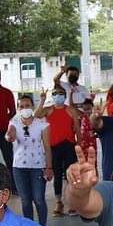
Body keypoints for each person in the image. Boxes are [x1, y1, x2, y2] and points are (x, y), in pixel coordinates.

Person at [6, 95, 53, 226]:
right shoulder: (13, 123)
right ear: (17, 108)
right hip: (19, 167)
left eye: (27, 106)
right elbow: (10, 135)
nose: (24, 109)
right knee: (25, 201)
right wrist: (9, 136)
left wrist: (49, 167)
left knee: (39, 199)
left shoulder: (42, 125)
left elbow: (47, 147)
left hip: (38, 167)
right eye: (21, 106)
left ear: (33, 107)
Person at [35, 86, 80, 217]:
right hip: (54, 146)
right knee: (57, 175)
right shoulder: (48, 110)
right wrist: (42, 100)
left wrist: (79, 143)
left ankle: (72, 202)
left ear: (65, 96)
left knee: (70, 175)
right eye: (55, 94)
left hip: (69, 145)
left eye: (61, 93)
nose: (58, 96)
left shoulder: (70, 110)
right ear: (52, 96)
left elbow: (77, 128)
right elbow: (35, 116)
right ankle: (59, 202)